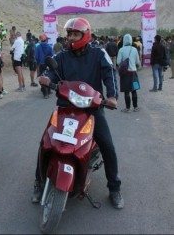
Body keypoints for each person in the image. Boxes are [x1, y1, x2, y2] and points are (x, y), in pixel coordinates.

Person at [31, 17, 124, 209]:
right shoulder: (62, 56)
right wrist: (45, 78)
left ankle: (114, 188)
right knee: (46, 142)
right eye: (69, 34)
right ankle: (39, 183)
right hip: (65, 107)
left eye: (75, 34)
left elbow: (109, 74)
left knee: (108, 146)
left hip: (92, 110)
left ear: (85, 35)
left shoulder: (99, 54)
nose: (71, 38)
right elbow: (50, 71)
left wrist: (112, 96)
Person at [117, 34, 141, 112]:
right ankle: (136, 107)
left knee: (126, 91)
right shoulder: (134, 49)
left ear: (124, 40)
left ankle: (127, 108)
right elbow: (138, 62)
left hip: (125, 74)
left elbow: (118, 62)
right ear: (131, 40)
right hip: (134, 73)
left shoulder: (121, 50)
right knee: (134, 90)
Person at [35, 34, 53, 99]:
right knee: (48, 77)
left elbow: (36, 57)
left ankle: (45, 94)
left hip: (41, 65)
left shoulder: (38, 47)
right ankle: (49, 90)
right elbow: (51, 56)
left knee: (42, 78)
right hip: (48, 64)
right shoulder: (50, 47)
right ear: (46, 40)